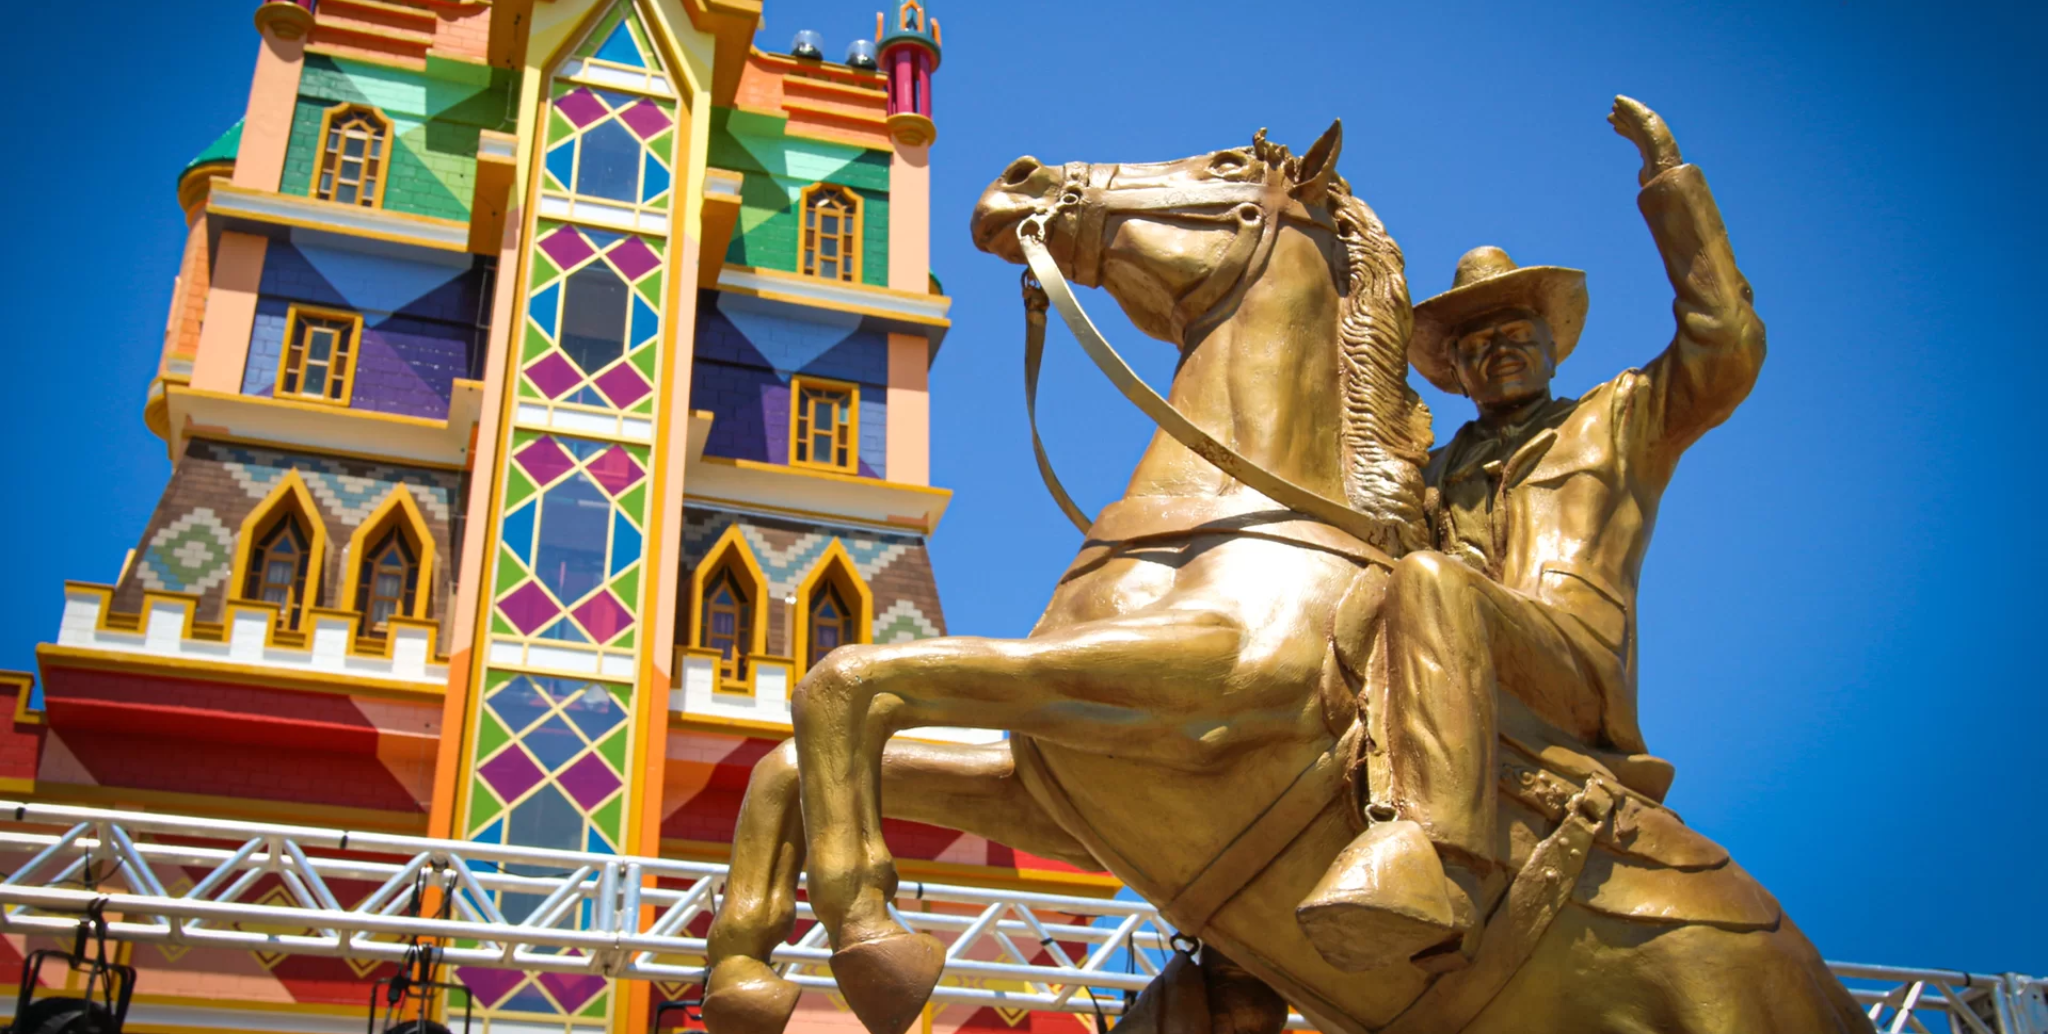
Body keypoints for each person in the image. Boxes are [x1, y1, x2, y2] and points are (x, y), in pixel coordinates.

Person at [1296, 96, 1765, 972]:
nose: (1497, 351)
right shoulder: (1438, 471)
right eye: (1474, 347)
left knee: (1429, 582)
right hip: (1459, 658)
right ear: (1457, 373)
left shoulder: (1620, 417)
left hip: (1570, 667)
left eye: (1516, 333)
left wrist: (1668, 182)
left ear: (1554, 344)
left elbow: (1725, 341)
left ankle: (1444, 861)